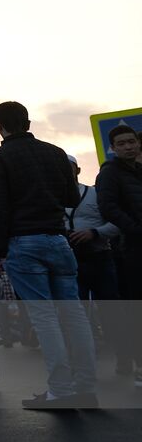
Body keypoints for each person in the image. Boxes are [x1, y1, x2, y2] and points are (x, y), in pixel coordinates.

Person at [0, 101, 97, 408]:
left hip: (24, 242)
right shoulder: (56, 153)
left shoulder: (0, 157)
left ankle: (60, 390)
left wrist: (0, 251)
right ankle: (86, 387)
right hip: (59, 241)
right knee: (74, 315)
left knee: (44, 318)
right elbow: (71, 197)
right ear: (29, 122)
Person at [63, 153, 122, 370]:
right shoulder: (52, 200)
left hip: (99, 258)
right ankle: (82, 357)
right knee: (73, 312)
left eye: (69, 168)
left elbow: (117, 224)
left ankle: (123, 355)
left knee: (110, 309)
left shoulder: (95, 194)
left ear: (78, 170)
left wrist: (94, 233)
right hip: (70, 262)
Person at [97, 123, 142, 387]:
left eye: (131, 142)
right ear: (112, 148)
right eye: (121, 144)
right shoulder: (109, 173)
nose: (128, 146)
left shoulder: (138, 172)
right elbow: (108, 208)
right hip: (131, 250)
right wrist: (135, 229)